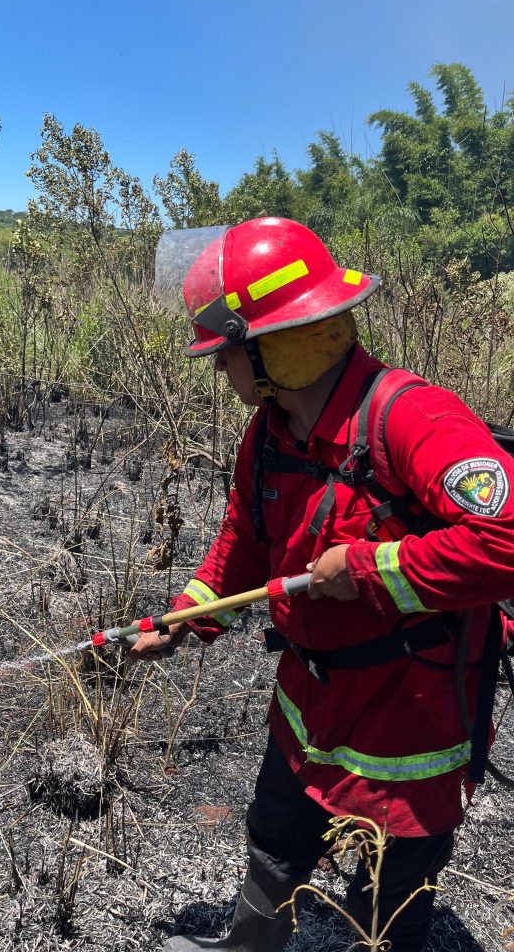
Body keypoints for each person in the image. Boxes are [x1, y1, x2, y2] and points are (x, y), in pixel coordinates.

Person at [130, 217, 514, 952]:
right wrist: (188, 615)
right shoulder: (268, 433)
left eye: (229, 353)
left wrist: (371, 567)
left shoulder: (411, 416)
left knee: (388, 899)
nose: (219, 370)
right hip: (309, 701)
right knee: (275, 834)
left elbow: (506, 539)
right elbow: (241, 547)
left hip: (411, 715)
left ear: (274, 343)